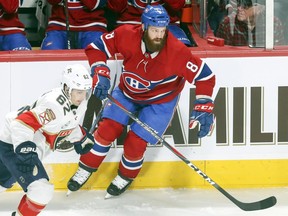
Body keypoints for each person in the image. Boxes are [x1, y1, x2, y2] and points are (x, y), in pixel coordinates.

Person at [67, 5, 216, 198]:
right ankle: (86, 167)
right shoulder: (126, 34)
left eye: (163, 31)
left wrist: (204, 104)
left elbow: (205, 76)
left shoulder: (177, 51)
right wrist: (100, 69)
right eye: (155, 30)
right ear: (144, 27)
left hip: (160, 101)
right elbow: (97, 47)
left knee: (136, 142)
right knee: (107, 129)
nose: (159, 36)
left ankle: (125, 176)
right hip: (127, 92)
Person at [0, 64, 95, 215]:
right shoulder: (54, 105)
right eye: (79, 92)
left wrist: (79, 136)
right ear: (66, 88)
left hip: (16, 143)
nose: (83, 97)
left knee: (2, 183)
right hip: (14, 144)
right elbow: (20, 124)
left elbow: (68, 121)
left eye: (86, 92)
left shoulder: (78, 102)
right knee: (41, 191)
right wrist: (26, 153)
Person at [106, 0, 193, 46]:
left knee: (180, 48)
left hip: (165, 23)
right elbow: (115, 8)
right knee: (122, 47)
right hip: (130, 23)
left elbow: (178, 5)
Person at [41, 0, 108, 50]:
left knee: (97, 56)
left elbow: (93, 4)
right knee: (50, 56)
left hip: (93, 27)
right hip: (59, 26)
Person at [216, 0, 285, 47]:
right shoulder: (227, 24)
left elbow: (280, 54)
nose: (239, 8)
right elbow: (221, 55)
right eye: (238, 3)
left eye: (245, 6)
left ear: (259, 8)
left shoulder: (273, 24)